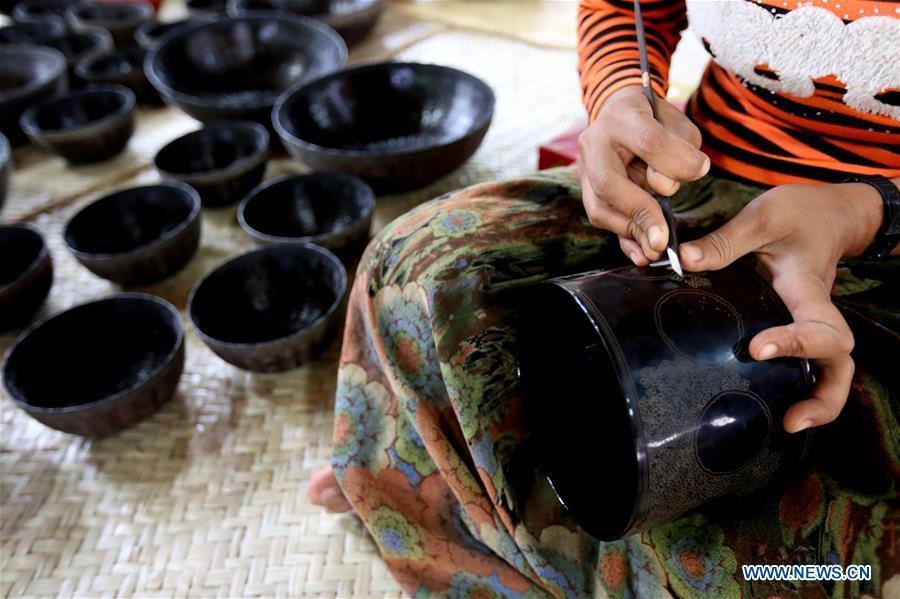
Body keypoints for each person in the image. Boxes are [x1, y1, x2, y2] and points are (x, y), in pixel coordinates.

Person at [310, 1, 900, 596]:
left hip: (882, 241)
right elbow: (627, 8)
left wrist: (864, 213)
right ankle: (423, 479)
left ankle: (453, 490)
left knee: (793, 566)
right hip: (703, 178)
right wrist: (619, 100)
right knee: (414, 271)